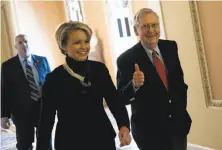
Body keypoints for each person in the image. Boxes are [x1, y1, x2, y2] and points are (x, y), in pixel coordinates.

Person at [36, 21, 131, 150]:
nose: (84, 47)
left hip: (103, 140)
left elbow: (114, 100)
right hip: (70, 143)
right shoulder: (54, 79)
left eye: (86, 41)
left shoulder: (99, 69)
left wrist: (123, 126)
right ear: (63, 46)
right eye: (77, 42)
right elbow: (46, 120)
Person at [116, 8, 192, 150]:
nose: (151, 30)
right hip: (149, 133)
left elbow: (179, 84)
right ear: (136, 30)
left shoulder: (170, 47)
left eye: (154, 25)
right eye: (145, 26)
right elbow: (120, 98)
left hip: (177, 126)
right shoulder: (125, 59)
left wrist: (180, 111)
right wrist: (134, 85)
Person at [1, 34, 52, 150]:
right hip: (21, 113)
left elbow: (51, 85)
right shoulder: (8, 66)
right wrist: (4, 115)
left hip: (42, 109)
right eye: (20, 43)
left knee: (46, 144)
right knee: (24, 145)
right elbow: (5, 91)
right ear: (16, 46)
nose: (24, 44)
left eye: (26, 41)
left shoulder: (42, 60)